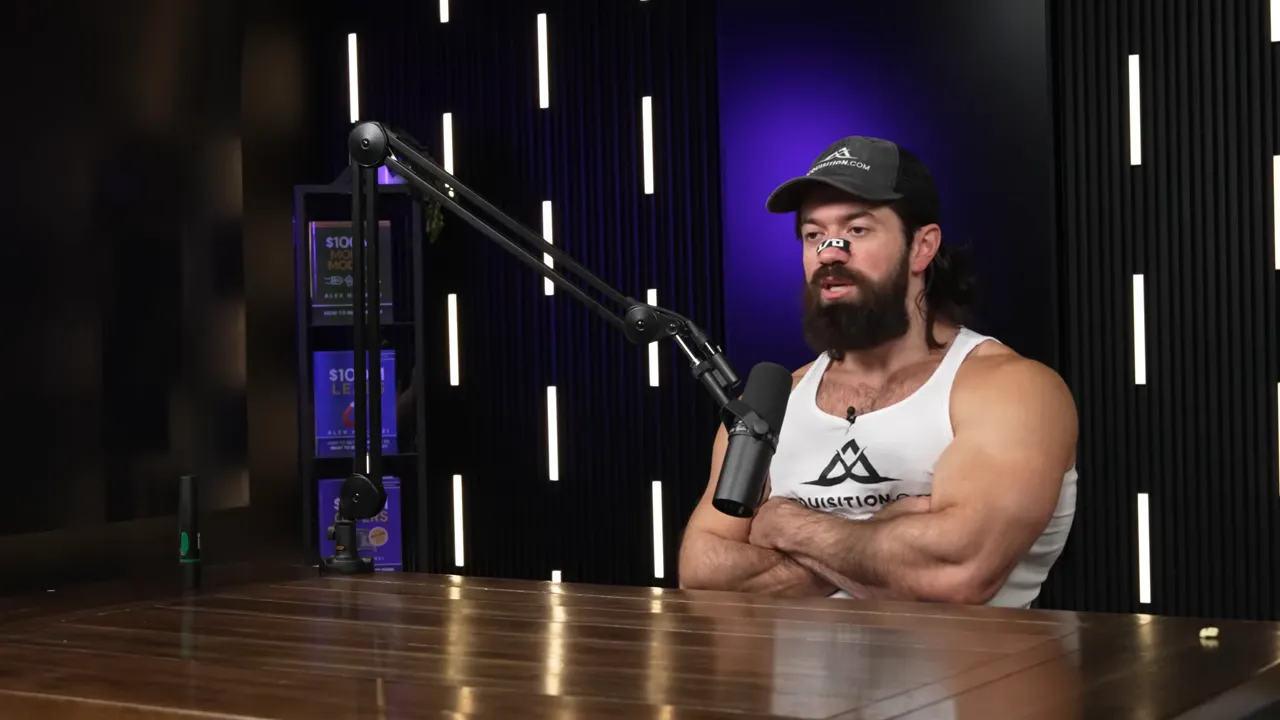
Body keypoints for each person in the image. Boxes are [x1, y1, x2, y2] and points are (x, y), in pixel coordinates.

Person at [677, 136, 1078, 608]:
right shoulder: (774, 404)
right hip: (798, 685)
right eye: (813, 234)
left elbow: (956, 574)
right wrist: (888, 535)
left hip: (965, 683)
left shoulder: (1009, 390)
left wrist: (784, 525)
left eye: (858, 230)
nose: (830, 252)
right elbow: (701, 575)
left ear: (922, 247)